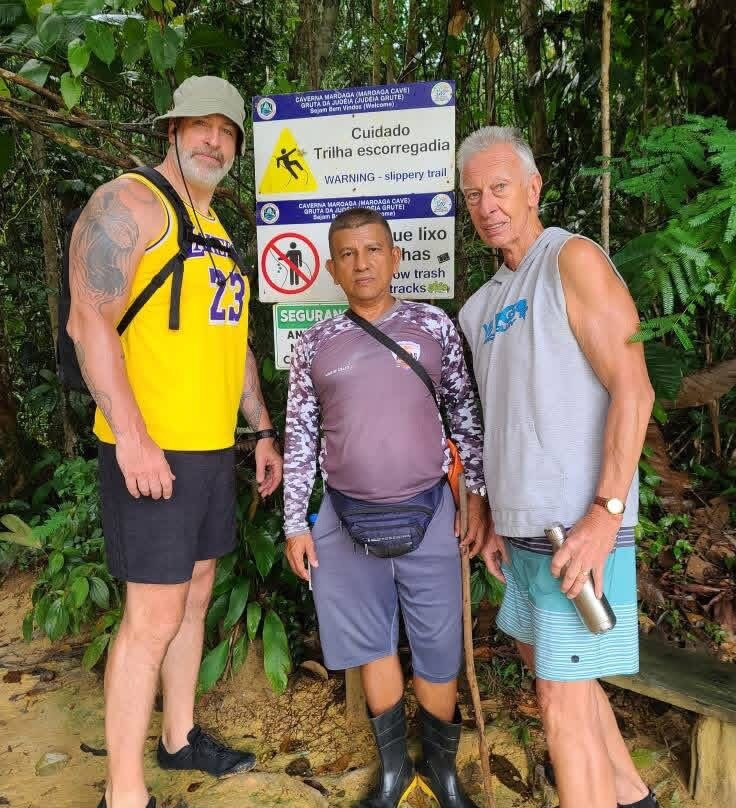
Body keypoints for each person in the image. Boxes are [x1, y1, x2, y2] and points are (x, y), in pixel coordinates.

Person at [67, 76, 283, 808]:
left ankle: (180, 735)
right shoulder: (129, 204)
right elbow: (88, 323)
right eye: (200, 125)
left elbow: (231, 338)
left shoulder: (214, 227)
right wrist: (132, 439)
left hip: (209, 449)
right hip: (151, 449)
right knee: (151, 617)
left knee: (194, 596)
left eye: (226, 131)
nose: (213, 141)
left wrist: (260, 428)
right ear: (172, 130)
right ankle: (124, 793)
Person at [457, 126, 659, 808]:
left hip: (577, 531)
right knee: (560, 673)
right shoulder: (480, 307)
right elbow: (501, 422)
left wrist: (605, 516)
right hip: (521, 535)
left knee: (559, 702)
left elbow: (634, 388)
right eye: (474, 194)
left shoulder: (570, 259)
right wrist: (490, 515)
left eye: (500, 187)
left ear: (533, 188)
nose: (487, 205)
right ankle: (632, 796)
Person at [283, 208, 488, 808]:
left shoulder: (433, 326)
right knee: (371, 644)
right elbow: (300, 436)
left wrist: (475, 498)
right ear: (331, 268)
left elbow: (465, 417)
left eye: (373, 250)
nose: (362, 264)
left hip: (433, 512)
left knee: (438, 649)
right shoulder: (315, 343)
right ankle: (395, 773)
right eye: (348, 254)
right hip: (345, 519)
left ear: (395, 257)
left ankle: (443, 775)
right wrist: (295, 522)